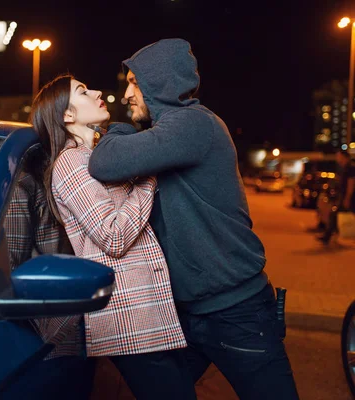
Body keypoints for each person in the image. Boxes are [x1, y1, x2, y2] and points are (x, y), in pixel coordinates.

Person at [88, 38, 299, 400]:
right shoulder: (170, 134)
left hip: (237, 312)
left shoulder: (194, 126)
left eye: (134, 82)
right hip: (187, 314)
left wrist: (121, 128)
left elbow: (104, 162)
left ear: (160, 82)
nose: (125, 95)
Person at [30, 73, 196, 400]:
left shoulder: (94, 156)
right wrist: (149, 173)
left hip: (146, 310)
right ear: (67, 115)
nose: (96, 91)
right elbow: (114, 235)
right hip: (128, 314)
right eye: (82, 90)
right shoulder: (71, 162)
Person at [3, 150, 96, 400]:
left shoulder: (77, 174)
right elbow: (12, 267)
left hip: (76, 326)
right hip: (51, 333)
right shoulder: (26, 184)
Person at [316, 149, 355, 244]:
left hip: (350, 197)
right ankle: (329, 235)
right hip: (346, 196)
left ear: (344, 157)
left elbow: (351, 183)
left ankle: (328, 236)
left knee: (334, 214)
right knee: (334, 215)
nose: (338, 159)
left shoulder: (350, 167)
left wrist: (347, 198)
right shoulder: (345, 168)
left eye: (339, 157)